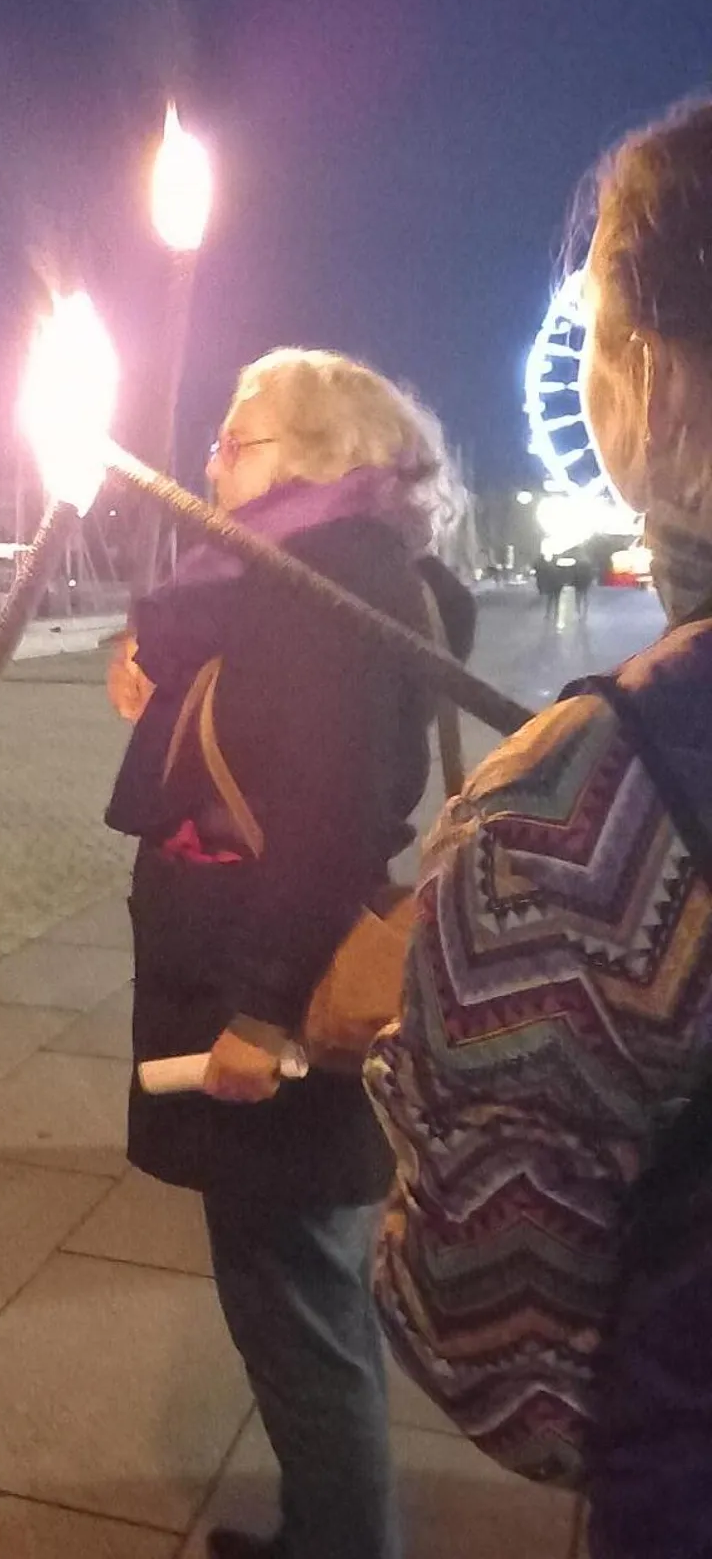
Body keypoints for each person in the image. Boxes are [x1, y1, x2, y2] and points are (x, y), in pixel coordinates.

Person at [365, 98, 712, 1558]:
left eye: (604, 317)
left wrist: (422, 1007)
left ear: (662, 378)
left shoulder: (573, 821)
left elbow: (494, 1331)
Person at [105, 350, 474, 1559]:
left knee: (295, 1300)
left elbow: (329, 811)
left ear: (321, 459)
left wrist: (263, 1013)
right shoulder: (314, 578)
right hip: (254, 965)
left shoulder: (325, 585)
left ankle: (340, 1543)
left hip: (269, 980)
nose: (210, 460)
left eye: (237, 437)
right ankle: (329, 1526)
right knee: (296, 1288)